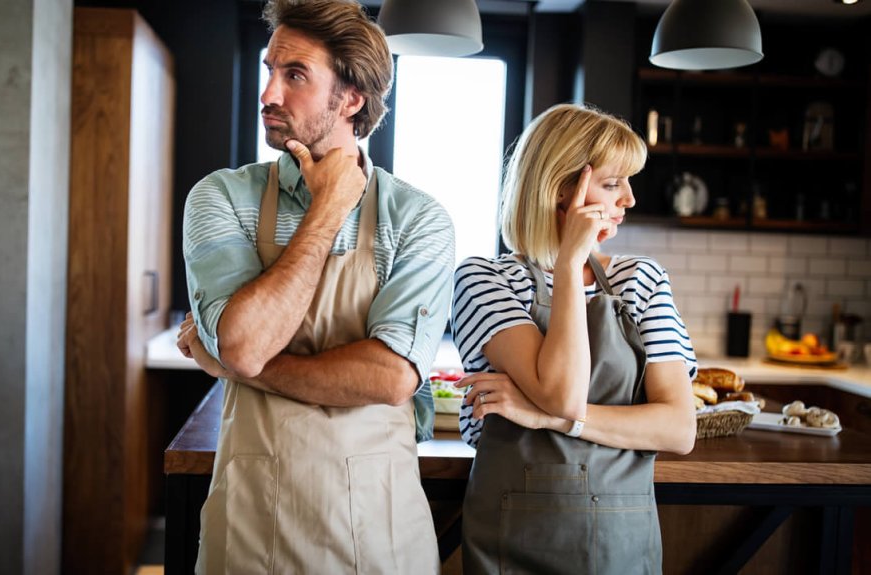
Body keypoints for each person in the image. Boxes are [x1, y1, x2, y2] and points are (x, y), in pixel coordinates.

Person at [176, 0, 454, 572]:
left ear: (351, 98)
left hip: (379, 542)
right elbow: (247, 343)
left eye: (295, 75)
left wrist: (233, 363)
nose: (268, 94)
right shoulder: (222, 197)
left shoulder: (419, 219)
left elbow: (390, 375)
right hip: (250, 536)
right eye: (268, 71)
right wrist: (328, 207)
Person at [451, 103, 697, 574]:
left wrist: (543, 418)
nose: (629, 200)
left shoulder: (641, 281)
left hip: (621, 543)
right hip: (512, 544)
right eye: (612, 183)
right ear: (560, 190)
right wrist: (568, 264)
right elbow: (563, 393)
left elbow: (678, 429)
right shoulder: (484, 280)